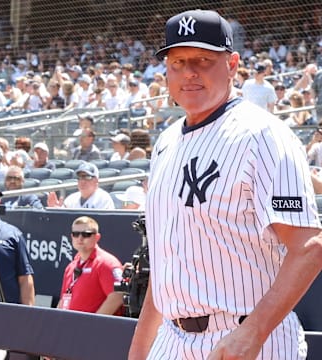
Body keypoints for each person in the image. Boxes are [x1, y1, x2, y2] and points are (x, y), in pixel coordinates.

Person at [128, 9, 322, 360]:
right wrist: (139, 351)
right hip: (173, 339)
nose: (189, 72)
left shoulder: (262, 136)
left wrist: (254, 331)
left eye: (203, 60)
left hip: (247, 336)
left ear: (232, 65)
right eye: (178, 61)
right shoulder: (166, 142)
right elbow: (164, 262)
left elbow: (309, 246)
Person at [58, 216, 123, 314]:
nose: (80, 238)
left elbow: (118, 295)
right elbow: (64, 298)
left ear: (97, 237)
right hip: (69, 325)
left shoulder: (106, 263)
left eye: (86, 234)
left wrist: (94, 323)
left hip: (94, 327)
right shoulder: (71, 266)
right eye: (76, 234)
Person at [47, 161, 114, 209]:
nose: (82, 181)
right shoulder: (71, 199)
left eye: (87, 177)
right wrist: (57, 211)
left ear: (96, 180)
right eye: (80, 177)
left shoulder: (103, 199)